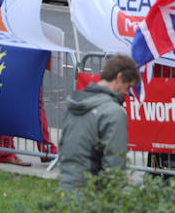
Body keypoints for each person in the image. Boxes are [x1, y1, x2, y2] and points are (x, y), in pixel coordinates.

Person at [58, 54, 140, 190]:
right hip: (93, 193)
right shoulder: (114, 112)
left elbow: (64, 147)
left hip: (67, 185)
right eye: (128, 86)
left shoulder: (74, 102)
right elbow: (114, 164)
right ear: (119, 78)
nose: (127, 93)